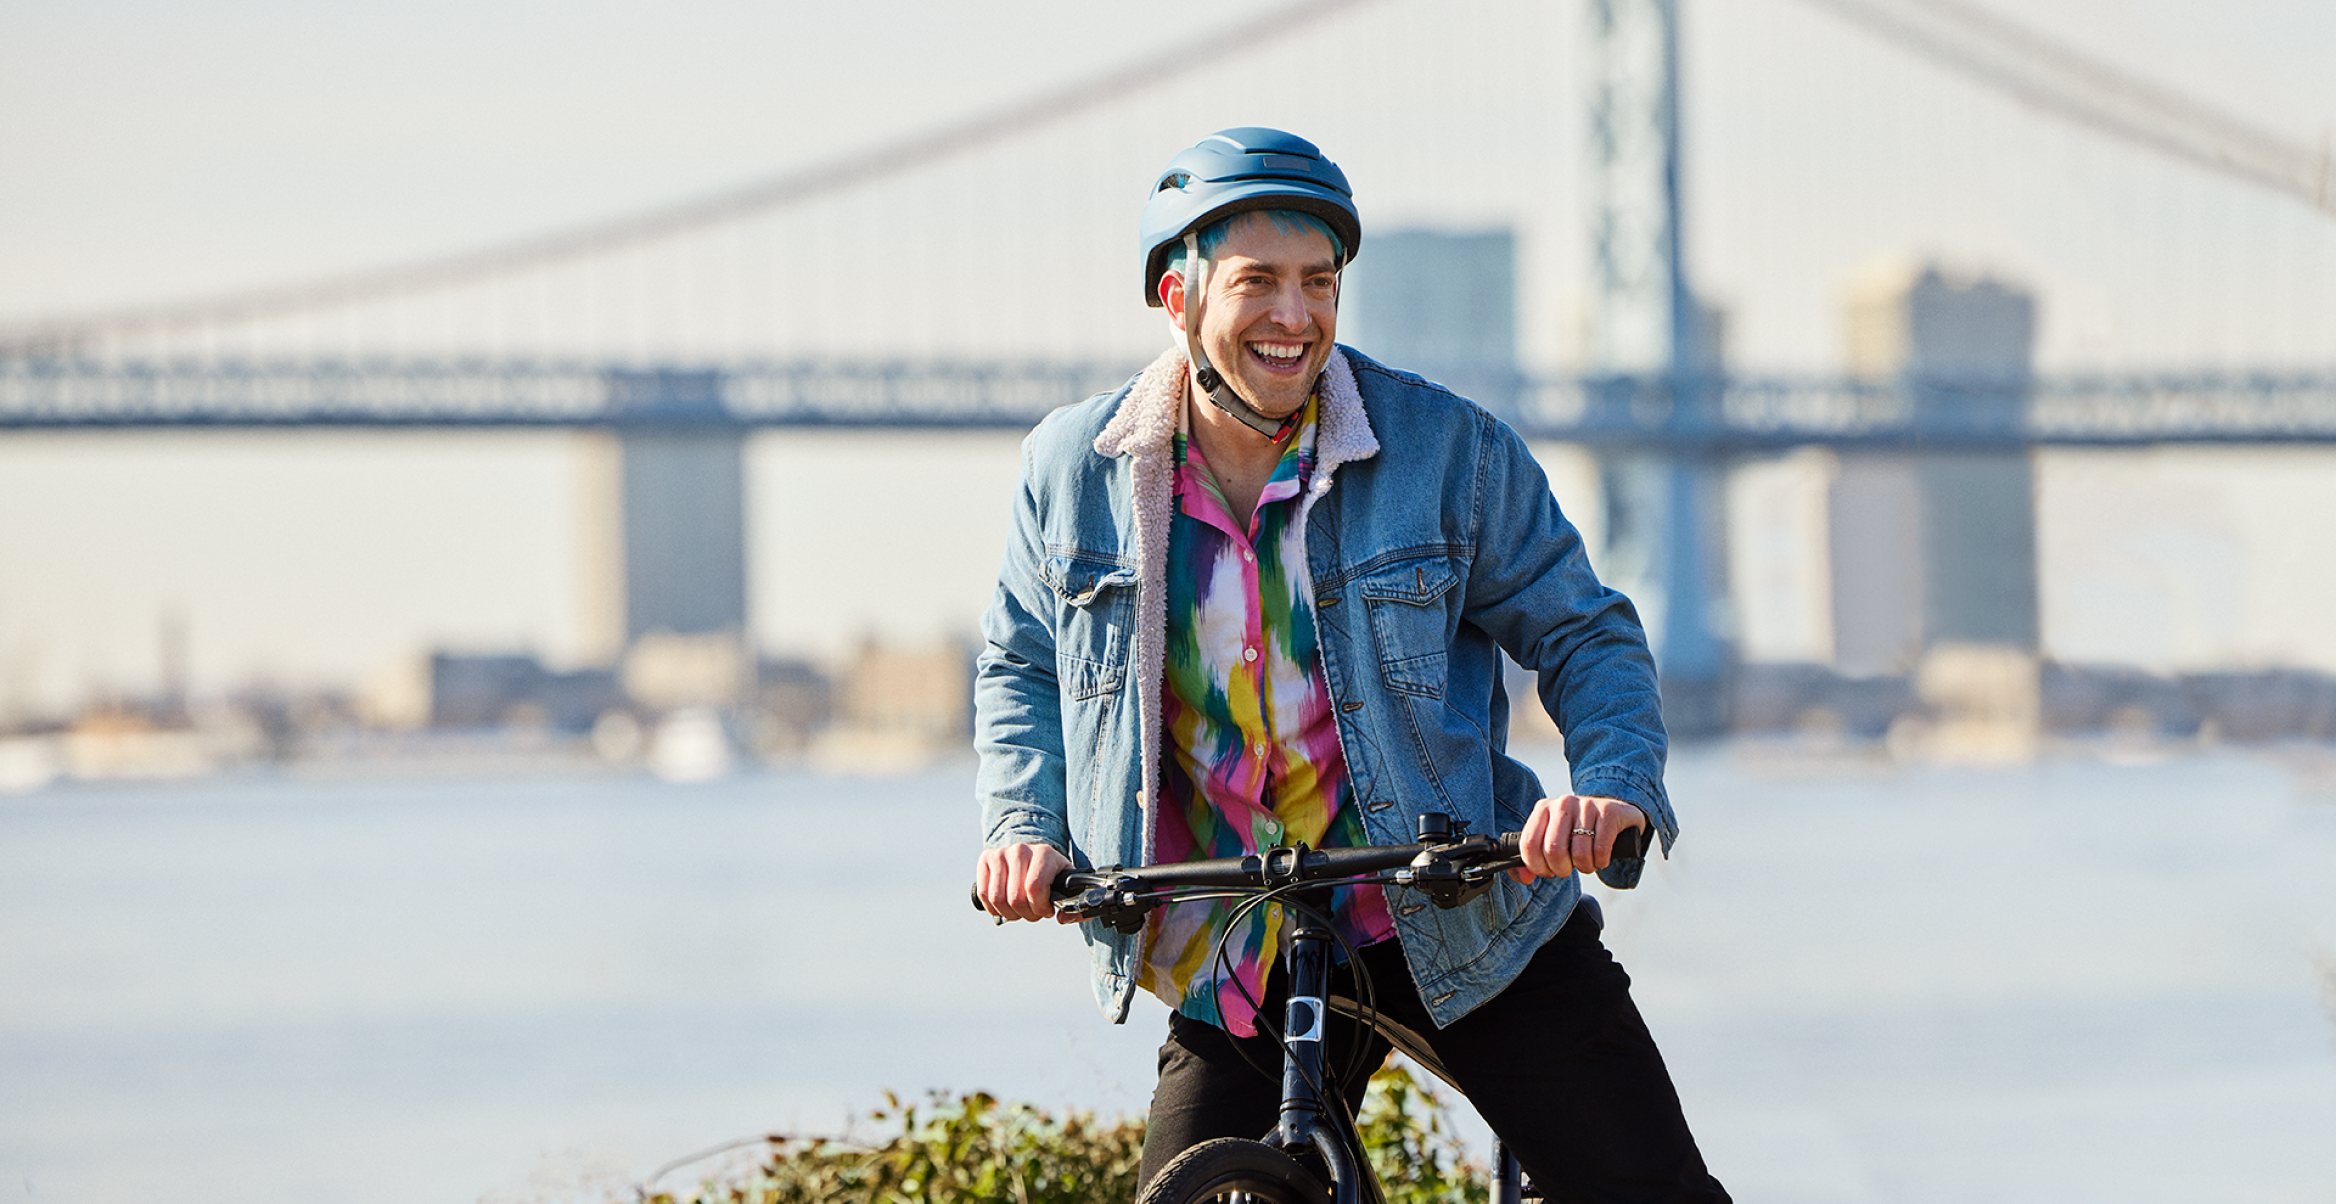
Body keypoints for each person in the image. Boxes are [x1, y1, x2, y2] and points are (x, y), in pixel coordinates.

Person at [972, 127, 1727, 1201]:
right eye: (1257, 283)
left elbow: (1582, 632)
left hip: (1458, 912)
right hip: (1235, 932)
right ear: (1175, 298)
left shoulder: (1447, 453)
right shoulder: (1069, 472)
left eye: (1318, 282)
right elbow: (1020, 668)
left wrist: (1607, 787)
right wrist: (1021, 825)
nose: (1295, 316)